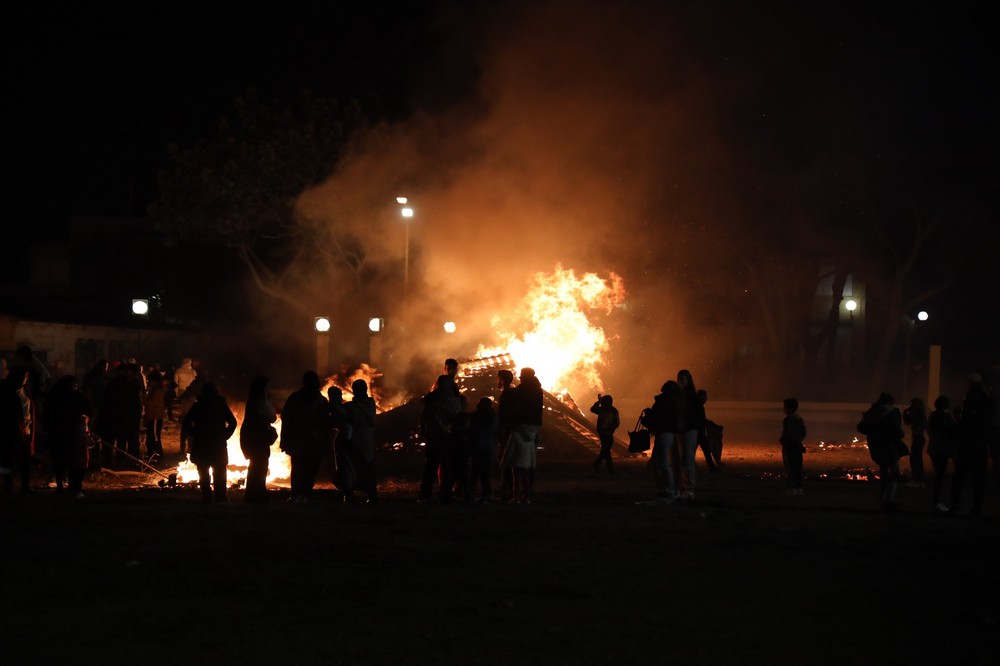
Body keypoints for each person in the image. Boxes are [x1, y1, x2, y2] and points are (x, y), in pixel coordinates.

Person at [279, 371, 329, 504]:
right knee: (310, 470)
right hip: (314, 442)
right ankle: (305, 495)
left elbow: (286, 419)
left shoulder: (295, 398)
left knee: (298, 469)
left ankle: (297, 495)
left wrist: (284, 440)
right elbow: (325, 423)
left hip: (298, 441)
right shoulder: (321, 400)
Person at [182, 383, 238, 503]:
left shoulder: (198, 406)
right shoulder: (221, 405)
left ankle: (207, 497)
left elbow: (186, 422)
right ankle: (220, 497)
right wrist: (224, 436)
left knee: (203, 473)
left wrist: (195, 435)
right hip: (217, 444)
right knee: (219, 472)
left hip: (201, 444)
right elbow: (233, 422)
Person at [949, 373, 993, 516]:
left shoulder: (972, 397)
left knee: (960, 477)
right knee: (978, 479)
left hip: (969, 445)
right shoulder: (986, 399)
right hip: (980, 445)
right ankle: (977, 508)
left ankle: (955, 505)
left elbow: (967, 421)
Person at [42, 375, 92, 495]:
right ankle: (61, 485)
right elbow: (49, 414)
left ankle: (73, 486)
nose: (74, 388)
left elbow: (88, 412)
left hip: (74, 434)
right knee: (60, 461)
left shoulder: (78, 397)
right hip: (59, 433)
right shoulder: (56, 397)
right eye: (71, 386)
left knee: (74, 461)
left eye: (75, 386)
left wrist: (84, 422)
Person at [418, 373, 464, 502]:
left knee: (431, 467)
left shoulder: (430, 401)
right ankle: (445, 494)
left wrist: (424, 430)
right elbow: (458, 419)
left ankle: (425, 495)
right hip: (449, 438)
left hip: (434, 437)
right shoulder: (455, 401)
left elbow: (423, 419)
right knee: (448, 466)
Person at [858, 392, 906, 512]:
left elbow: (861, 427)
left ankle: (882, 501)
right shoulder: (892, 413)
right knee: (895, 475)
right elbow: (896, 430)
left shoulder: (872, 412)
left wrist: (873, 432)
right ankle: (889, 501)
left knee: (884, 474)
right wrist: (900, 434)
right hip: (890, 446)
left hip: (877, 446)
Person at [501, 367, 542, 504]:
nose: (519, 377)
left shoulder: (524, 388)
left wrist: (506, 386)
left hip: (522, 424)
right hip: (534, 427)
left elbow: (511, 396)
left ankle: (515, 495)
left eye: (521, 375)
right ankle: (527, 495)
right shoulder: (537, 388)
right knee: (527, 471)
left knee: (516, 473)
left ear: (525, 376)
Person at [239, 376, 278, 503]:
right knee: (259, 467)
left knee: (256, 466)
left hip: (251, 437)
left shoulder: (253, 400)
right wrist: (269, 403)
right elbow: (272, 417)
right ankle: (257, 495)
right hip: (258, 438)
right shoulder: (260, 401)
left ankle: (253, 495)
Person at [642, 381, 682, 501]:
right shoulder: (677, 403)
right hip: (670, 434)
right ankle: (669, 489)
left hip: (663, 434)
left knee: (662, 464)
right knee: (661, 463)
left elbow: (657, 418)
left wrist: (648, 416)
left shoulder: (663, 402)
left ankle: (669, 490)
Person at [0, 366, 37, 493]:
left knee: (26, 459)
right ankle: (7, 484)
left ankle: (25, 484)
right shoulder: (6, 391)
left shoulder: (25, 390)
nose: (25, 379)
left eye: (26, 376)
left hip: (25, 431)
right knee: (7, 459)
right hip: (10, 430)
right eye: (23, 376)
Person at [344, 378, 378, 503]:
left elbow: (350, 417)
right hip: (368, 440)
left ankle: (349, 495)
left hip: (356, 439)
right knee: (367, 467)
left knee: (351, 466)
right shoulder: (371, 403)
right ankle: (372, 495)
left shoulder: (353, 407)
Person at [676, 369, 704, 500]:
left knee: (688, 460)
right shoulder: (679, 396)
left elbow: (698, 417)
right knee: (683, 460)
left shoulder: (693, 397)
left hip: (690, 431)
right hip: (681, 432)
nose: (680, 381)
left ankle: (690, 489)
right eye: (679, 379)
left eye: (683, 379)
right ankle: (685, 488)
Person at [926, 395, 956, 512]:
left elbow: (929, 431)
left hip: (933, 449)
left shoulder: (933, 415)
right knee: (940, 476)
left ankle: (935, 500)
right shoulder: (947, 416)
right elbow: (953, 432)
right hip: (942, 450)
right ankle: (936, 501)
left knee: (939, 475)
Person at [467, 397, 498, 504]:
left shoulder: (474, 417)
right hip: (486, 447)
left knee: (475, 472)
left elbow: (471, 431)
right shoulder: (493, 417)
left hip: (478, 447)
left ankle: (472, 494)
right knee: (482, 472)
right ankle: (485, 494)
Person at [326, 386, 355, 502]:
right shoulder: (339, 407)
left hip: (345, 437)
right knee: (344, 465)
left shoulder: (337, 408)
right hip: (344, 437)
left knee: (344, 465)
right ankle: (347, 491)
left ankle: (347, 491)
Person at [495, 369, 516, 501]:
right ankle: (507, 485)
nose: (497, 381)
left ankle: (508, 487)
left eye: (498, 378)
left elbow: (505, 414)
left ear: (502, 380)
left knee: (505, 458)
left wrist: (502, 429)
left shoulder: (507, 394)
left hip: (506, 430)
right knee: (505, 457)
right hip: (507, 429)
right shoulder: (509, 393)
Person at [779, 398, 807, 495]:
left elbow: (789, 433)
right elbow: (803, 432)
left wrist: (783, 440)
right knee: (798, 467)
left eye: (785, 407)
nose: (783, 409)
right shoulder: (799, 418)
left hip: (790, 447)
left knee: (790, 467)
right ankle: (799, 488)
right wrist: (799, 442)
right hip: (797, 447)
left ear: (789, 408)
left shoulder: (788, 419)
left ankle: (792, 488)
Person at [589, 393, 620, 473]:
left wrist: (598, 402)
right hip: (605, 433)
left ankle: (597, 464)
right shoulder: (612, 410)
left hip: (606, 432)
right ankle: (609, 467)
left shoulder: (603, 410)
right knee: (606, 450)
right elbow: (592, 409)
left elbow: (616, 423)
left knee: (605, 450)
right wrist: (598, 402)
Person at [902, 397, 928, 488]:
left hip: (918, 437)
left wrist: (909, 412)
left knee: (915, 459)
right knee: (916, 459)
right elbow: (908, 422)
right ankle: (919, 480)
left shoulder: (918, 414)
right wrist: (905, 414)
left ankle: (917, 480)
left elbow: (912, 420)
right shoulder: (920, 413)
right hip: (918, 437)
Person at [142, 370, 166, 461]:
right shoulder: (153, 391)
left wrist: (144, 398)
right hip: (152, 417)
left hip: (155, 417)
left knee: (155, 437)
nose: (148, 383)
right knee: (151, 436)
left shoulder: (157, 392)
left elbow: (150, 404)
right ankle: (152, 454)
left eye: (150, 381)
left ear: (155, 381)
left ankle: (156, 455)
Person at [697, 389, 724, 472]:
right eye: (704, 396)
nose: (706, 399)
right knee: (706, 450)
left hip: (699, 433)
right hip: (698, 433)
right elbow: (700, 419)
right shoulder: (698, 406)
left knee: (706, 450)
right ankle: (711, 467)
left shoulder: (698, 406)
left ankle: (711, 467)